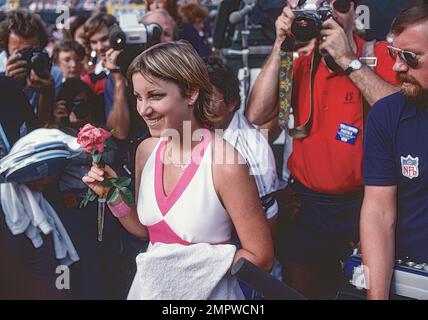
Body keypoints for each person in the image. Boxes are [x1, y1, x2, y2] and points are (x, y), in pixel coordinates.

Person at [82, 41, 274, 299]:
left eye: (155, 96)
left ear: (192, 93)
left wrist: (190, 268)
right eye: (139, 97)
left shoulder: (225, 163)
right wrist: (112, 195)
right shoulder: (146, 151)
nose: (143, 109)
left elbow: (261, 257)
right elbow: (146, 231)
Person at [245, 0, 398, 299]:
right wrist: (280, 45)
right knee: (301, 293)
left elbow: (401, 118)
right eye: (319, 7)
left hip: (365, 207)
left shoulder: (376, 56)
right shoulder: (300, 61)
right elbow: (256, 117)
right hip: (306, 207)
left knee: (361, 292)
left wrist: (348, 60)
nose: (331, 15)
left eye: (339, 5)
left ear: (355, 10)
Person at [361, 4, 428, 300]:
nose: (398, 67)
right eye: (394, 54)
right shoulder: (386, 116)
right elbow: (378, 213)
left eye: (410, 58)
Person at [0, 10, 63, 126]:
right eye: (19, 52)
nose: (26, 57)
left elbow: (43, 126)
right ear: (5, 47)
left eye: (32, 51)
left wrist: (47, 95)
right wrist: (8, 86)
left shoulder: (53, 74)